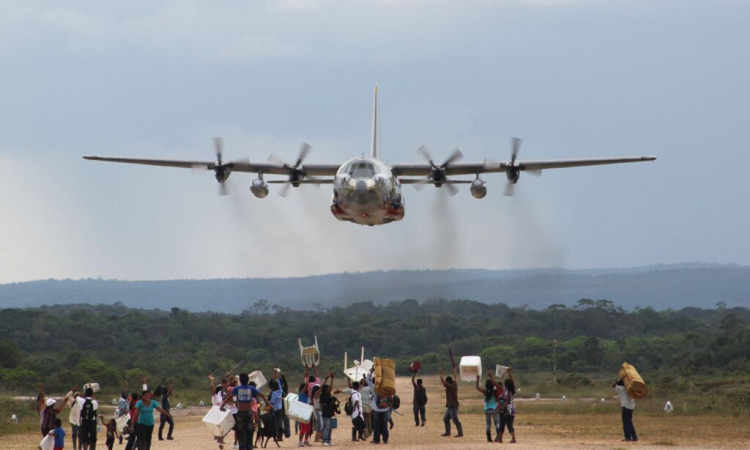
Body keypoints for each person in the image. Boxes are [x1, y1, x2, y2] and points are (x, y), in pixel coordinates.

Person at [221, 372, 271, 450]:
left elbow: (228, 397)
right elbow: (262, 395)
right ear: (247, 380)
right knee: (250, 430)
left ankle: (241, 446)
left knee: (240, 430)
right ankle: (249, 446)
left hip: (241, 413)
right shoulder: (251, 388)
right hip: (249, 413)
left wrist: (222, 405)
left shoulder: (237, 389)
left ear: (240, 380)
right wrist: (268, 404)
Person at [489, 367, 517, 443]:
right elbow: (512, 381)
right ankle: (513, 438)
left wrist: (491, 377)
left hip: (504, 409)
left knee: (502, 424)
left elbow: (495, 384)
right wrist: (509, 372)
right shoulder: (512, 391)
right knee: (510, 424)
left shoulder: (504, 390)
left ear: (506, 385)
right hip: (511, 409)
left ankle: (500, 438)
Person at [366, 368, 390, 445]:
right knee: (384, 425)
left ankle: (377, 440)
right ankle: (385, 440)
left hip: (376, 409)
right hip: (385, 409)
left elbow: (368, 381)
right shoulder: (387, 387)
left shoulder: (374, 387)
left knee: (376, 425)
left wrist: (371, 371)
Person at [438, 366, 463, 438]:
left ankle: (460, 433)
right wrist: (455, 371)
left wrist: (440, 373)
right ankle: (448, 432)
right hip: (450, 405)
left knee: (455, 420)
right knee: (445, 419)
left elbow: (442, 381)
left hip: (453, 405)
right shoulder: (454, 384)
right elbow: (455, 377)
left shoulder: (450, 386)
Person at [476, 372, 501, 442]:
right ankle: (498, 436)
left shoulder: (485, 391)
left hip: (486, 409)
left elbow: (477, 388)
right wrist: (491, 377)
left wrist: (477, 379)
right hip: (494, 409)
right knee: (497, 423)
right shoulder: (495, 392)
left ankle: (489, 438)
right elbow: (499, 387)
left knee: (488, 424)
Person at [612, 378, 638, 442]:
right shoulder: (629, 388)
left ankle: (628, 437)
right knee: (629, 421)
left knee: (625, 422)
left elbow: (613, 385)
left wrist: (619, 380)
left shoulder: (620, 389)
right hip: (631, 406)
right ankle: (634, 437)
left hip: (625, 406)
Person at [296, 383, 312, 448]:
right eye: (306, 387)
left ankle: (305, 440)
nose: (307, 388)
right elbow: (306, 386)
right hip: (301, 412)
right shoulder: (301, 393)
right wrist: (307, 377)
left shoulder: (307, 395)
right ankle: (299, 442)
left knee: (308, 427)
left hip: (307, 412)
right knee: (303, 428)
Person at [269, 377, 285, 441]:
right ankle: (280, 436)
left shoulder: (274, 393)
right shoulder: (280, 391)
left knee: (275, 423)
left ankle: (276, 436)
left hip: (275, 409)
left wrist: (268, 402)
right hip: (280, 408)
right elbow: (280, 386)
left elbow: (272, 401)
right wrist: (277, 377)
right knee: (280, 422)